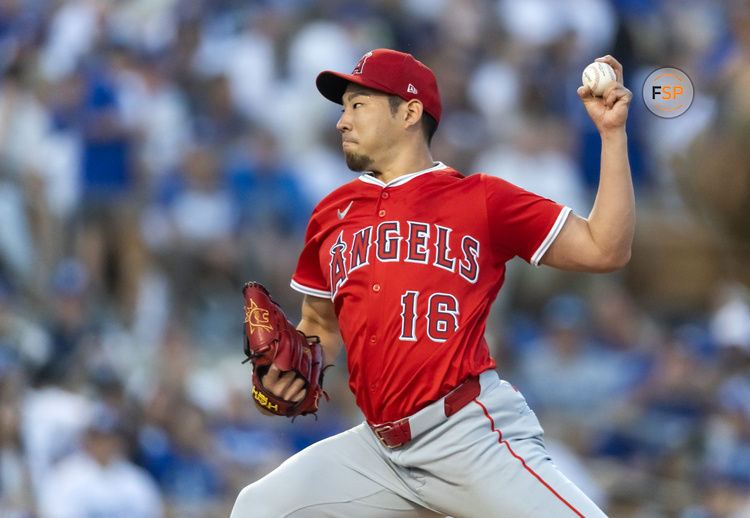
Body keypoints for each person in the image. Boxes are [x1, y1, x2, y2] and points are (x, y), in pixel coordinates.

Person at [231, 48, 633, 517]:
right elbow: (320, 325)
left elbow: (606, 249)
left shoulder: (480, 199)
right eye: (343, 108)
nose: (342, 121)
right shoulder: (330, 214)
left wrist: (611, 135)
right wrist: (291, 374)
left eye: (358, 105)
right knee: (258, 508)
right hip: (378, 450)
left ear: (410, 111)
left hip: (465, 433)